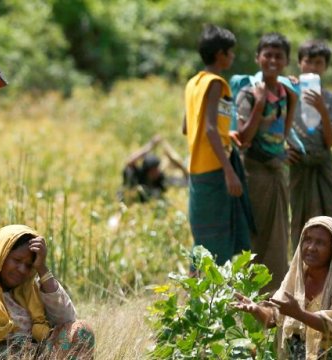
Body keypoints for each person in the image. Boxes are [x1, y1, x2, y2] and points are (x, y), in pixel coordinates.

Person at [0, 225, 95, 359]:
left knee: (80, 331)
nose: (22, 270)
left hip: (33, 354)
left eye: (29, 265)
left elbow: (67, 319)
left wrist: (42, 270)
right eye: (17, 260)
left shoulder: (31, 288)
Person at [233, 216, 332, 360]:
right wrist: (256, 309)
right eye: (307, 240)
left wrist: (299, 314)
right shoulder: (297, 274)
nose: (311, 247)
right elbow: (274, 316)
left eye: (320, 243)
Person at [182, 24, 255, 265]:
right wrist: (229, 170)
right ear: (220, 54)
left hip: (197, 169)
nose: (233, 56)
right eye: (230, 52)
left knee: (203, 237)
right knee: (217, 239)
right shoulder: (215, 84)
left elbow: (187, 126)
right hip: (214, 169)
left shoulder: (193, 83)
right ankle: (211, 297)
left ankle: (198, 295)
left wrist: (227, 135)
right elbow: (211, 128)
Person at [234, 32, 298, 291]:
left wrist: (281, 154)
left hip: (276, 173)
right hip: (255, 174)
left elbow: (285, 132)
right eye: (267, 55)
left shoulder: (287, 93)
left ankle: (274, 298)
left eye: (278, 56)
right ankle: (252, 298)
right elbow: (243, 139)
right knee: (256, 238)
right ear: (257, 58)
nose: (272, 60)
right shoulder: (249, 95)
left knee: (278, 238)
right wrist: (259, 104)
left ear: (286, 60)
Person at [287, 40, 332, 249]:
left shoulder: (329, 99)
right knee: (300, 216)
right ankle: (302, 270)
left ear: (325, 67)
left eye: (319, 63)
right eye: (308, 62)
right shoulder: (288, 90)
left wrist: (322, 109)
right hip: (297, 161)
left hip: (323, 162)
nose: (313, 67)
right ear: (299, 62)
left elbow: (329, 141)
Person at [119, 135, 188, 203]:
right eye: (154, 170)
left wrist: (178, 163)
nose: (157, 171)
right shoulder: (136, 176)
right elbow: (130, 161)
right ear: (148, 170)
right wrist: (150, 145)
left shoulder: (160, 180)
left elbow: (185, 181)